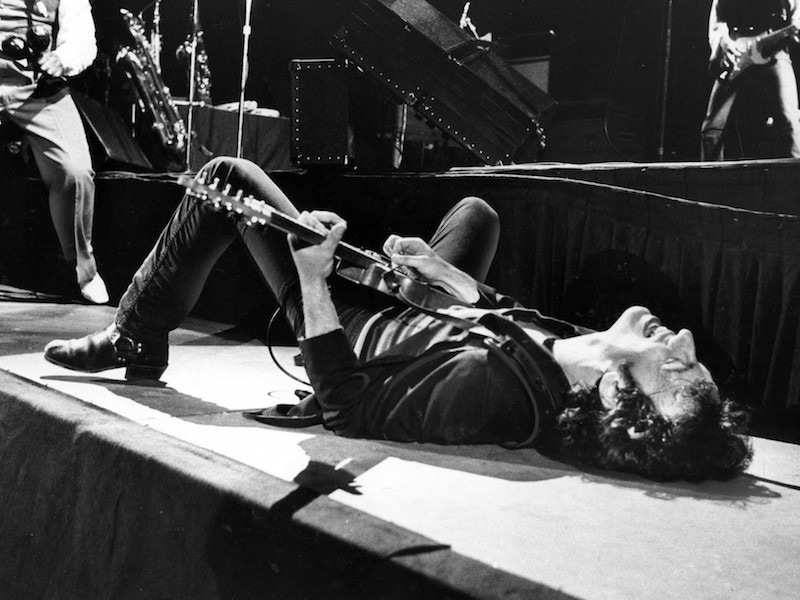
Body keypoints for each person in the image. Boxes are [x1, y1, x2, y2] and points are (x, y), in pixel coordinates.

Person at [43, 157, 753, 482]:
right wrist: (442, 277)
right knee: (478, 214)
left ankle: (135, 332)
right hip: (419, 313)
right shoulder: (578, 354)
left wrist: (316, 282)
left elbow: (347, 408)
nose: (683, 339)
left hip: (351, 326)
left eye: (678, 365)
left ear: (614, 393)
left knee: (227, 180)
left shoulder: (490, 391)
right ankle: (415, 270)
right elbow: (506, 318)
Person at [0, 0, 108, 303]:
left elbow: (82, 37)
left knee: (74, 172)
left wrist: (62, 59)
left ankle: (82, 269)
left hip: (37, 87)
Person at [700, 0, 800, 160]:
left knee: (788, 120)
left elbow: (796, 20)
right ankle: (708, 179)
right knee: (713, 129)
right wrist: (724, 44)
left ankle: (793, 178)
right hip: (735, 54)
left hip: (773, 52)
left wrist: (793, 31)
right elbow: (717, 22)